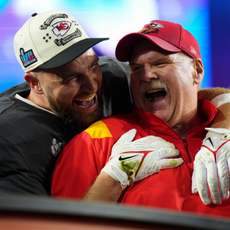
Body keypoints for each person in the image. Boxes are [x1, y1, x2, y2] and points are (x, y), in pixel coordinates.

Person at [51, 20, 230, 219]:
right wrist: (112, 179)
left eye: (160, 63)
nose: (146, 76)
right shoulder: (96, 141)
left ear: (197, 71)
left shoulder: (225, 128)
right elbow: (63, 224)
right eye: (136, 69)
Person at [0, 10, 133, 195]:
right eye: (72, 78)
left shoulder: (117, 77)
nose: (91, 85)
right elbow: (39, 224)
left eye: (93, 65)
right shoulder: (8, 142)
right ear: (35, 83)